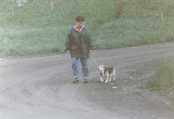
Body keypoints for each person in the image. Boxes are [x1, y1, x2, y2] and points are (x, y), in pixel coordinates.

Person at [65, 16, 92, 84]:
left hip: (84, 50)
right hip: (74, 50)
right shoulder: (71, 30)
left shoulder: (85, 30)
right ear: (76, 22)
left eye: (82, 22)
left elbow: (89, 39)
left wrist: (90, 47)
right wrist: (67, 47)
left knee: (84, 64)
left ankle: (85, 77)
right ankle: (76, 77)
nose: (80, 24)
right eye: (79, 22)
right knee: (74, 64)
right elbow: (68, 40)